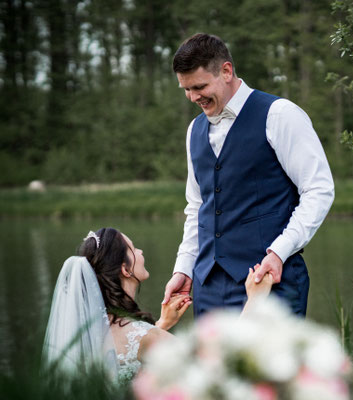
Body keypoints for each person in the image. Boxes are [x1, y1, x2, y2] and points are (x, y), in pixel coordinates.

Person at [162, 33, 335, 317]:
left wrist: (279, 251)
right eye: (186, 89)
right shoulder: (194, 130)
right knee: (212, 364)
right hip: (207, 288)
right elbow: (198, 208)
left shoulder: (280, 115)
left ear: (226, 71)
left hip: (269, 282)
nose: (193, 97)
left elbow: (318, 190)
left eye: (200, 86)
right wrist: (184, 267)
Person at [42, 227, 272, 385]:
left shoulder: (91, 329)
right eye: (134, 248)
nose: (141, 252)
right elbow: (214, 365)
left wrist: (162, 324)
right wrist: (254, 300)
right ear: (125, 269)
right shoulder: (144, 335)